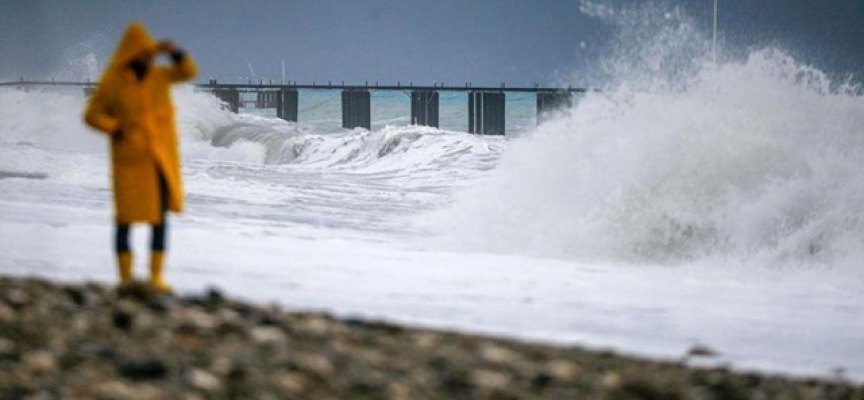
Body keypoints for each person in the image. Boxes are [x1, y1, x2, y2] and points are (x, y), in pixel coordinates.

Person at [83, 22, 197, 293]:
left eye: (150, 53)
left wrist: (176, 53)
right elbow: (92, 115)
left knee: (159, 219)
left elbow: (188, 72)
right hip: (128, 161)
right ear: (130, 55)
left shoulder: (158, 77)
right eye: (143, 54)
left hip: (158, 159)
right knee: (125, 219)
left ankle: (155, 277)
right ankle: (124, 278)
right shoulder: (113, 83)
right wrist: (114, 127)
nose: (148, 58)